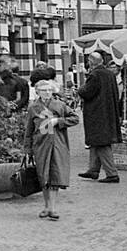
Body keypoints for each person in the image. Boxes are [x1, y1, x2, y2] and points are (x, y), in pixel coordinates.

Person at [25, 79, 80, 220]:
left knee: (55, 174)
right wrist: (28, 150)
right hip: (41, 145)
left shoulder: (60, 105)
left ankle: (53, 208)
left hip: (57, 144)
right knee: (43, 176)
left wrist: (58, 121)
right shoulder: (33, 108)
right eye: (44, 90)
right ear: (37, 92)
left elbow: (75, 118)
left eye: (50, 90)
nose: (48, 93)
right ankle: (46, 206)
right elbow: (29, 130)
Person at [79, 51, 122, 183]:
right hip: (108, 111)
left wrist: (80, 89)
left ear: (91, 62)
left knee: (102, 143)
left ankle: (112, 173)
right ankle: (93, 170)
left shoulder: (95, 75)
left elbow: (87, 92)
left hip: (97, 113)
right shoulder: (110, 74)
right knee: (95, 142)